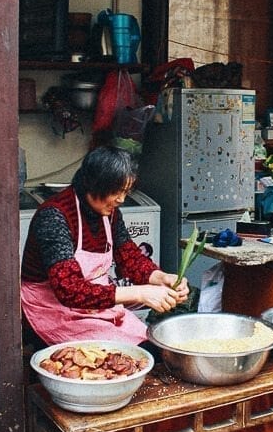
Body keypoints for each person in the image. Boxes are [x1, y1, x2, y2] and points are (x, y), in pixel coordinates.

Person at [21, 146, 189, 345]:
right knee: (116, 357)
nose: (121, 199)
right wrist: (141, 293)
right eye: (116, 192)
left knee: (150, 345)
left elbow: (130, 258)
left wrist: (161, 278)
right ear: (93, 184)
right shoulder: (55, 217)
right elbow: (70, 290)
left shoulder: (109, 214)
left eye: (125, 191)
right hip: (52, 309)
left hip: (95, 303)